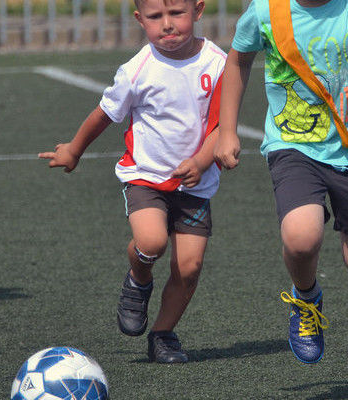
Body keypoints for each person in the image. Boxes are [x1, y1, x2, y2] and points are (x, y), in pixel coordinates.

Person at [215, 0, 348, 398]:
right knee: (301, 237)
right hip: (293, 146)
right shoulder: (266, 10)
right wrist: (226, 130)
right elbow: (237, 62)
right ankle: (307, 299)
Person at [39, 0, 225, 364]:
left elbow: (222, 124)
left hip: (195, 185)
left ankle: (162, 335)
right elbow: (104, 114)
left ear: (199, 10)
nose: (168, 25)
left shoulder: (219, 63)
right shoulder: (137, 70)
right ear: (140, 20)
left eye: (177, 14)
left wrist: (202, 162)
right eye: (155, 17)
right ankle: (139, 277)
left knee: (189, 268)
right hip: (145, 178)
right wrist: (74, 151)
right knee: (152, 242)